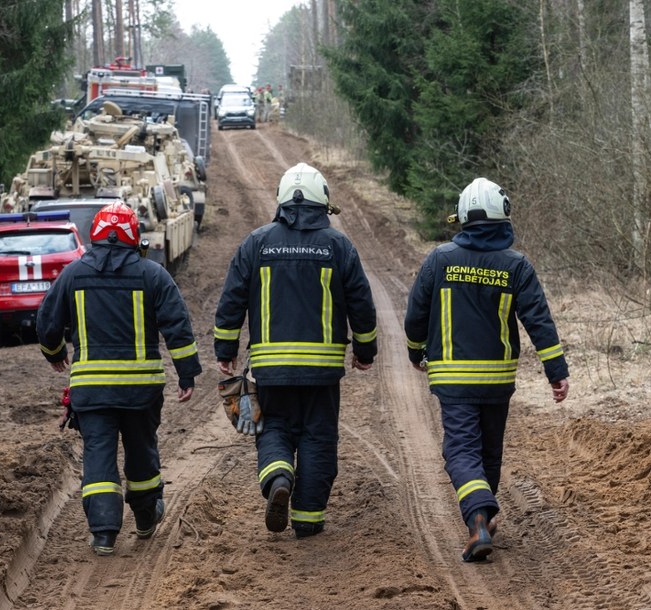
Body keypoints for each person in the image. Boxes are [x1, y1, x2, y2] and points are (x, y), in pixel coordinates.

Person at [404, 177, 570, 562]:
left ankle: (478, 516)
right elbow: (539, 322)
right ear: (504, 216)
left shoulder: (440, 259)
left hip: (452, 376)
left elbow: (416, 313)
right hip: (497, 377)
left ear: (460, 217)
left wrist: (415, 350)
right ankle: (483, 516)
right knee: (489, 450)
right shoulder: (516, 265)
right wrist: (556, 371)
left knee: (461, 448)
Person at [214, 163, 377, 538]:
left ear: (281, 201)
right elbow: (361, 305)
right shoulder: (339, 246)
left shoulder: (256, 242)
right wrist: (365, 351)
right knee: (318, 438)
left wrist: (226, 348)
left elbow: (231, 301)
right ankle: (307, 519)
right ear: (323, 204)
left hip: (270, 369)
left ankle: (278, 479)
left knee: (272, 429)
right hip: (322, 372)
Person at [36, 202, 202, 557]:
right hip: (141, 390)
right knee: (141, 450)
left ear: (95, 235)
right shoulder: (153, 275)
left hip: (92, 390)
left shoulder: (73, 274)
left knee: (98, 455)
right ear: (134, 237)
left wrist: (54, 353)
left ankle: (104, 533)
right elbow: (178, 326)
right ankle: (145, 517)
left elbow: (47, 321)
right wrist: (187, 373)